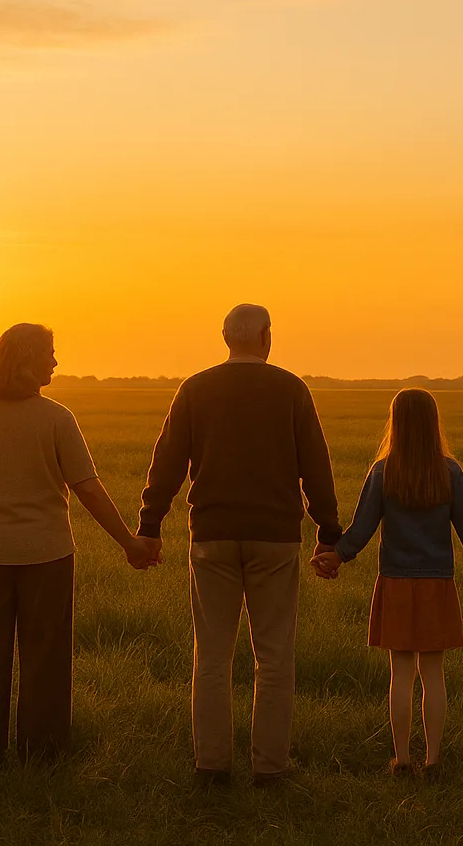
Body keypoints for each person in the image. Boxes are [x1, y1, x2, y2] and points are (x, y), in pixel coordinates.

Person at [0, 324, 152, 764]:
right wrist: (128, 543)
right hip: (47, 557)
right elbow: (87, 488)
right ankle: (43, 758)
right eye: (49, 353)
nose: (55, 361)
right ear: (28, 359)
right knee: (45, 660)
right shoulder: (56, 418)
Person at [138, 304, 341, 788]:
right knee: (273, 657)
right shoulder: (291, 389)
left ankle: (212, 767)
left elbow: (166, 462)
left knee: (211, 657)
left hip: (211, 534)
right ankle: (270, 769)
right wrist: (329, 533)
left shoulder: (196, 388)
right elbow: (316, 466)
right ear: (267, 337)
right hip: (276, 538)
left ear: (225, 337)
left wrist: (150, 525)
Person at [313, 389, 463, 778]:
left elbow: (362, 527)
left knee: (400, 673)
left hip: (395, 582)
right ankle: (433, 759)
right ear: (433, 424)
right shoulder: (448, 472)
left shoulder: (383, 472)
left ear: (395, 423)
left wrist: (337, 555)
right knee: (432, 674)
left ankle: (401, 759)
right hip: (437, 584)